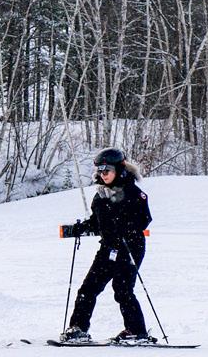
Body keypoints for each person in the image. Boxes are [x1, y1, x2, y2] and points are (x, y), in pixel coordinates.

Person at [58, 148, 154, 345]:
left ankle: (136, 331)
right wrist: (81, 228)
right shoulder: (101, 195)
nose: (103, 174)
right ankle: (78, 329)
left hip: (130, 247)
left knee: (122, 289)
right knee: (88, 288)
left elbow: (145, 219)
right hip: (109, 248)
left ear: (118, 169)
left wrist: (125, 225)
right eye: (100, 171)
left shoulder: (134, 193)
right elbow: (97, 223)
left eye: (107, 170)